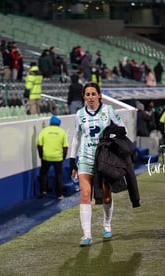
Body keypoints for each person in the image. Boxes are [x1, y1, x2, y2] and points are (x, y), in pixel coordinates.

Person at [69, 82, 138, 247]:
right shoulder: (79, 114)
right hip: (85, 157)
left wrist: (111, 133)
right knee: (85, 194)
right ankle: (87, 235)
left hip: (104, 159)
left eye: (93, 94)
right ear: (84, 97)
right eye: (88, 94)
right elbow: (76, 137)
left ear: (99, 95)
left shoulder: (109, 111)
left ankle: (106, 224)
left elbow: (122, 129)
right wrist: (72, 160)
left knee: (106, 195)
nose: (91, 97)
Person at [37, 116, 69, 199]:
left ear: (50, 123)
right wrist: (63, 157)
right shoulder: (62, 132)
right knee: (59, 175)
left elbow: (39, 145)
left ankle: (43, 191)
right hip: (58, 157)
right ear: (59, 123)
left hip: (46, 157)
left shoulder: (44, 131)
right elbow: (65, 147)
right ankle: (59, 195)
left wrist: (41, 155)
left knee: (43, 174)